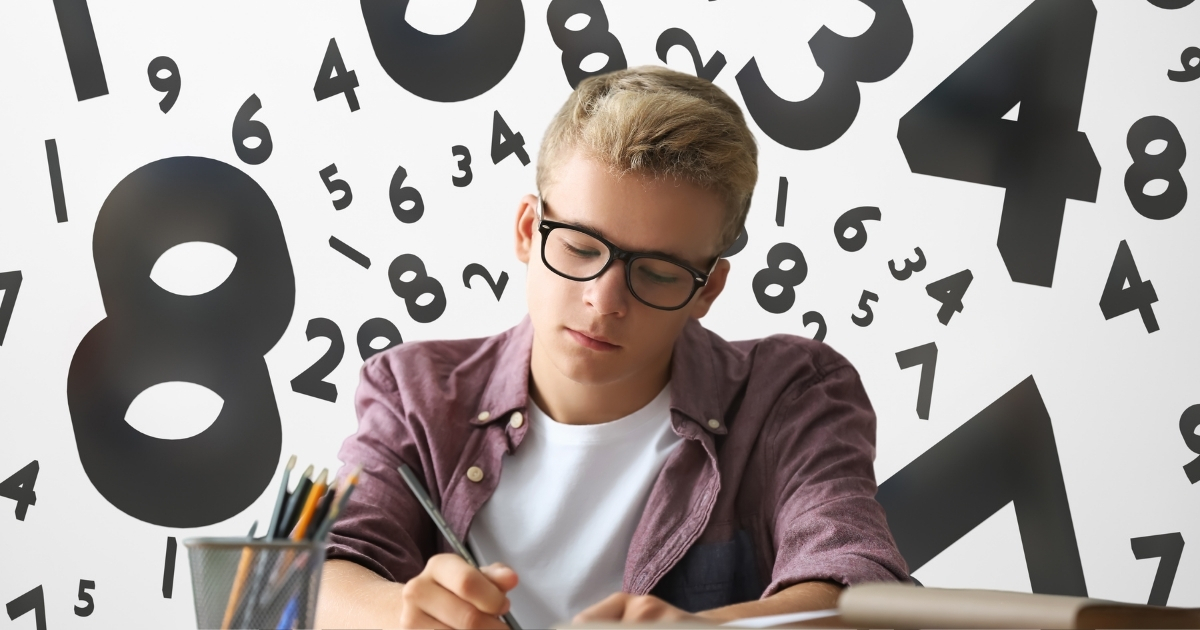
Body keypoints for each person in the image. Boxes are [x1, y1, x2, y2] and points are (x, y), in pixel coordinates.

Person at [315, 66, 909, 629]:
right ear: (528, 230)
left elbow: (859, 592)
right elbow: (320, 576)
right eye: (578, 247)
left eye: (657, 272)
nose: (605, 300)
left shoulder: (791, 392)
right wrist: (399, 613)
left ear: (709, 289)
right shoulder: (413, 391)